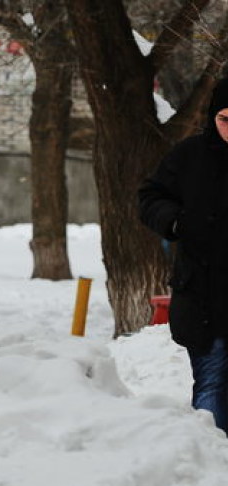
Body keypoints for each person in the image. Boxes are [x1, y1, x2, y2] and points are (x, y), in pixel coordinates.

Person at [139, 77, 228, 434]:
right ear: (212, 116)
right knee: (211, 385)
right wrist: (174, 222)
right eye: (225, 119)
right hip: (204, 296)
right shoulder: (189, 156)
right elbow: (150, 197)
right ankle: (213, 465)